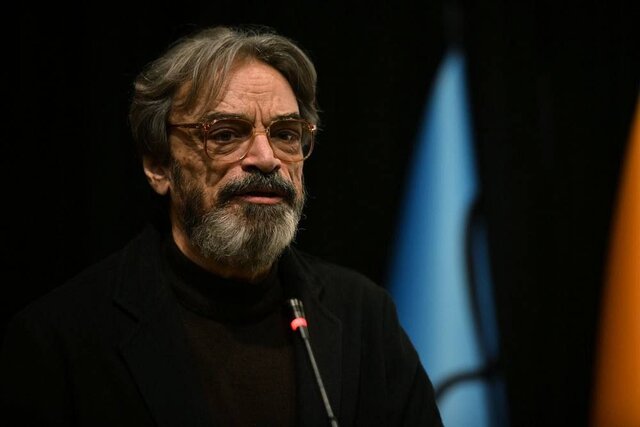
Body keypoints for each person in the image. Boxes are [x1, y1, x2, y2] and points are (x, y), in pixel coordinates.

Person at [0, 25, 443, 426]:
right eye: (226, 134)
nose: (266, 158)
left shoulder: (364, 316)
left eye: (286, 134)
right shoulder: (62, 339)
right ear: (159, 165)